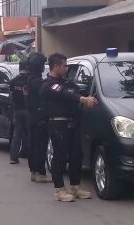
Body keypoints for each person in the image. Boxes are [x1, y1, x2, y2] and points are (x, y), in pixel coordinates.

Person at [41, 53, 98, 202]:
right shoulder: (48, 84)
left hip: (72, 123)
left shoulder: (66, 82)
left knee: (76, 155)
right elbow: (65, 94)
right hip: (57, 124)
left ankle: (75, 186)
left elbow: (76, 91)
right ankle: (59, 190)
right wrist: (82, 99)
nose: (66, 68)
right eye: (64, 65)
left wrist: (88, 97)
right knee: (60, 156)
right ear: (56, 66)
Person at [25, 52, 50, 183]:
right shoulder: (37, 82)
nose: (43, 67)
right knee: (40, 144)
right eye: (42, 65)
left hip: (32, 115)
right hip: (39, 117)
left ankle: (34, 171)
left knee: (33, 143)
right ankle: (40, 172)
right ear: (38, 66)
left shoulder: (29, 80)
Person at [8, 60, 30, 165]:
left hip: (17, 110)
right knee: (30, 133)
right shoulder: (29, 81)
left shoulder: (13, 81)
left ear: (19, 68)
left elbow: (11, 96)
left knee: (17, 134)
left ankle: (13, 158)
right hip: (28, 110)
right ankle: (32, 157)